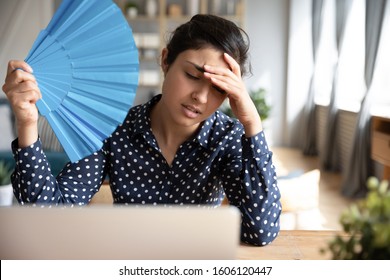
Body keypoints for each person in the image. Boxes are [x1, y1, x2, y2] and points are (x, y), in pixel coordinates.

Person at [2, 14, 281, 246]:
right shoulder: (115, 130)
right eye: (193, 76)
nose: (202, 97)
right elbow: (51, 218)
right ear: (165, 60)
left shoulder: (228, 138)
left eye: (220, 89)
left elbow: (259, 232)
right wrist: (27, 124)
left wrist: (252, 124)